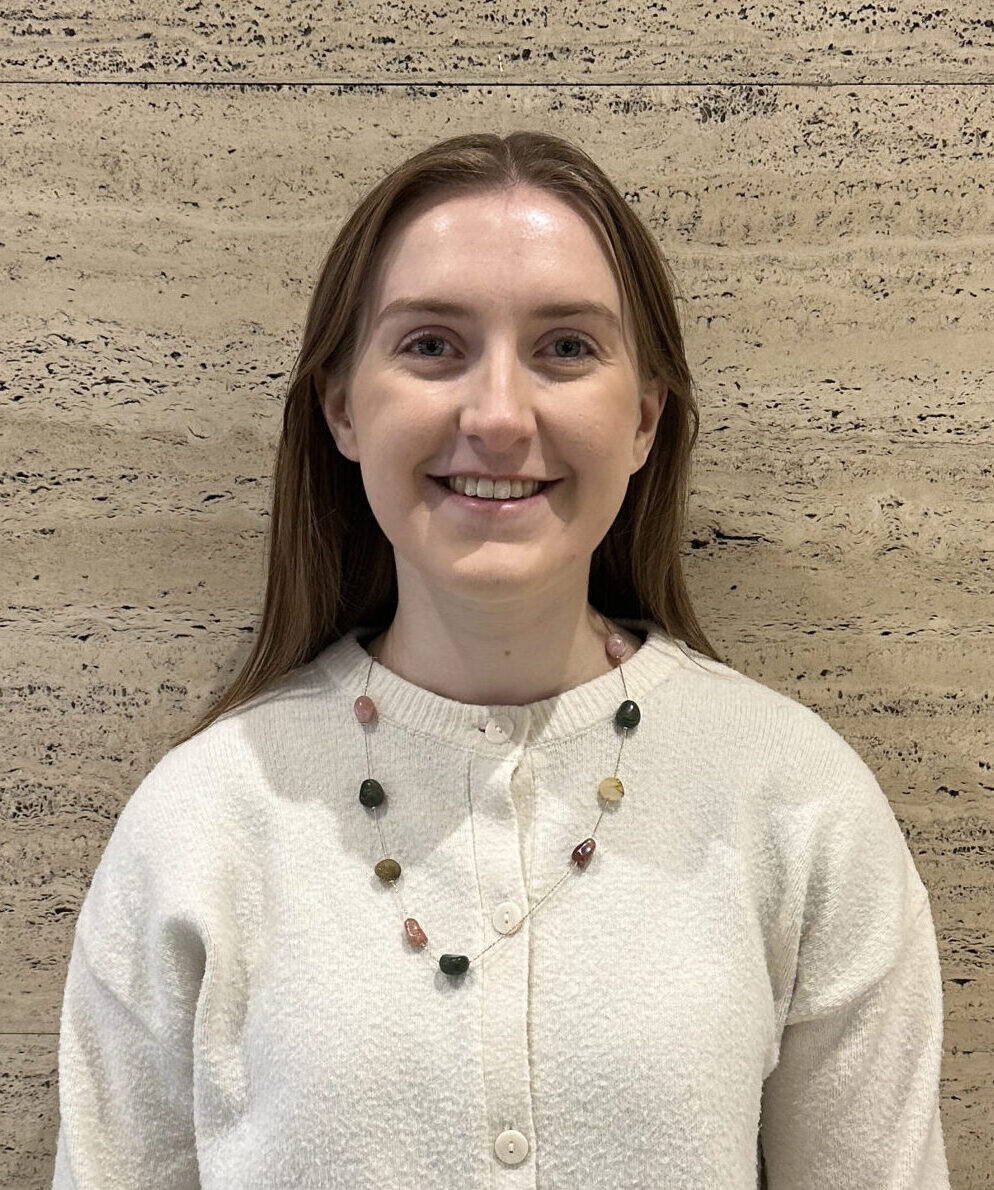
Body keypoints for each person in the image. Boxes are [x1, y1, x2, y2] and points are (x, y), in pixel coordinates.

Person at [51, 131, 950, 1189]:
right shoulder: (202, 819)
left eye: (566, 347)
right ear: (342, 406)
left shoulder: (793, 800)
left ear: (644, 418)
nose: (496, 416)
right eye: (431, 345)